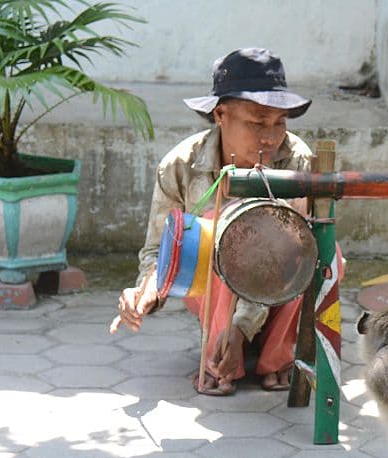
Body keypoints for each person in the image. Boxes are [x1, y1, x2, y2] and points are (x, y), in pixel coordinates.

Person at [111, 47, 329, 394]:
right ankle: (221, 355)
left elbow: (280, 255)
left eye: (280, 122)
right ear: (219, 114)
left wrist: (241, 329)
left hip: (283, 290)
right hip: (213, 293)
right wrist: (146, 290)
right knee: (217, 227)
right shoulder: (179, 165)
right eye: (257, 122)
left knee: (318, 249)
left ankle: (279, 356)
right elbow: (158, 251)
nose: (271, 136)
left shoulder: (297, 160)